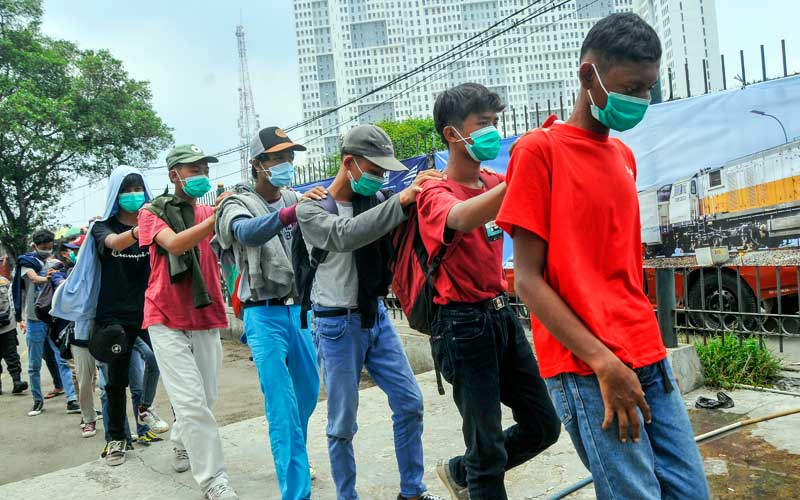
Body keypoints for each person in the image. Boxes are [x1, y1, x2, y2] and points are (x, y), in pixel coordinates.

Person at [495, 13, 709, 500]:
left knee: (691, 492)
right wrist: (604, 362)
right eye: (631, 87)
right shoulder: (538, 152)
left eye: (648, 89)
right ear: (588, 75)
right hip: (586, 367)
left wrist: (643, 354)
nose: (640, 101)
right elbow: (527, 280)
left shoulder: (622, 157)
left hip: (646, 354)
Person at [415, 83, 560, 500]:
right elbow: (459, 218)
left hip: (502, 317)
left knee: (543, 425)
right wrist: (517, 180)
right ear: (451, 134)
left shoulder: (495, 180)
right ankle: (476, 471)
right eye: (483, 124)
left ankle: (462, 471)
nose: (492, 133)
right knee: (488, 449)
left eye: (495, 123)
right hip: (461, 326)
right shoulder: (433, 192)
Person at [296, 125, 444, 500]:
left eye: (384, 171)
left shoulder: (377, 197)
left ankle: (412, 490)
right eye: (374, 168)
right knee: (342, 424)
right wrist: (401, 200)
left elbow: (406, 222)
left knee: (410, 403)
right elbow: (347, 234)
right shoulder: (311, 208)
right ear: (349, 163)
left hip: (375, 317)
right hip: (335, 326)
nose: (380, 177)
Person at [215, 127, 326, 500]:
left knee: (307, 393)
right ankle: (296, 492)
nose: (285, 164)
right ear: (258, 164)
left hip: (300, 311)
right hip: (263, 314)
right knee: (281, 406)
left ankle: (295, 454)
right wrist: (291, 214)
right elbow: (244, 233)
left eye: (289, 157)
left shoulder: (296, 196)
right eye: (277, 158)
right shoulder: (236, 201)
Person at [137, 144, 237, 500]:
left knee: (206, 398)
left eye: (203, 168)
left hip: (206, 311)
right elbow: (176, 245)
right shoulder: (152, 212)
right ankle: (214, 481)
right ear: (174, 175)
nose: (200, 175)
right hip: (164, 315)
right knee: (192, 402)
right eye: (192, 169)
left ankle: (181, 439)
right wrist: (215, 219)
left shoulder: (211, 210)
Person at [52, 165, 168, 456]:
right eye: (126, 190)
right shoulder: (102, 227)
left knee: (164, 364)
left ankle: (146, 412)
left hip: (151, 309)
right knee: (115, 381)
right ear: (115, 195)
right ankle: (116, 438)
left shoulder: (158, 222)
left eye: (137, 188)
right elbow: (114, 242)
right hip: (113, 317)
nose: (132, 195)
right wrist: (140, 230)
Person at [13, 229, 79, 416]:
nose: (47, 250)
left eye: (49, 247)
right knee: (34, 364)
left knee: (63, 360)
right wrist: (48, 277)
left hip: (54, 318)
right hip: (35, 319)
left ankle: (72, 400)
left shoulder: (56, 263)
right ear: (34, 246)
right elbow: (34, 278)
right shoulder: (26, 263)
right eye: (43, 248)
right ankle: (37, 400)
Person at [0, 274, 28, 395]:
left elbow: (12, 301)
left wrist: (18, 319)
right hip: (7, 325)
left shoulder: (4, 281)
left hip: (7, 326)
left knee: (12, 355)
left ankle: (17, 381)